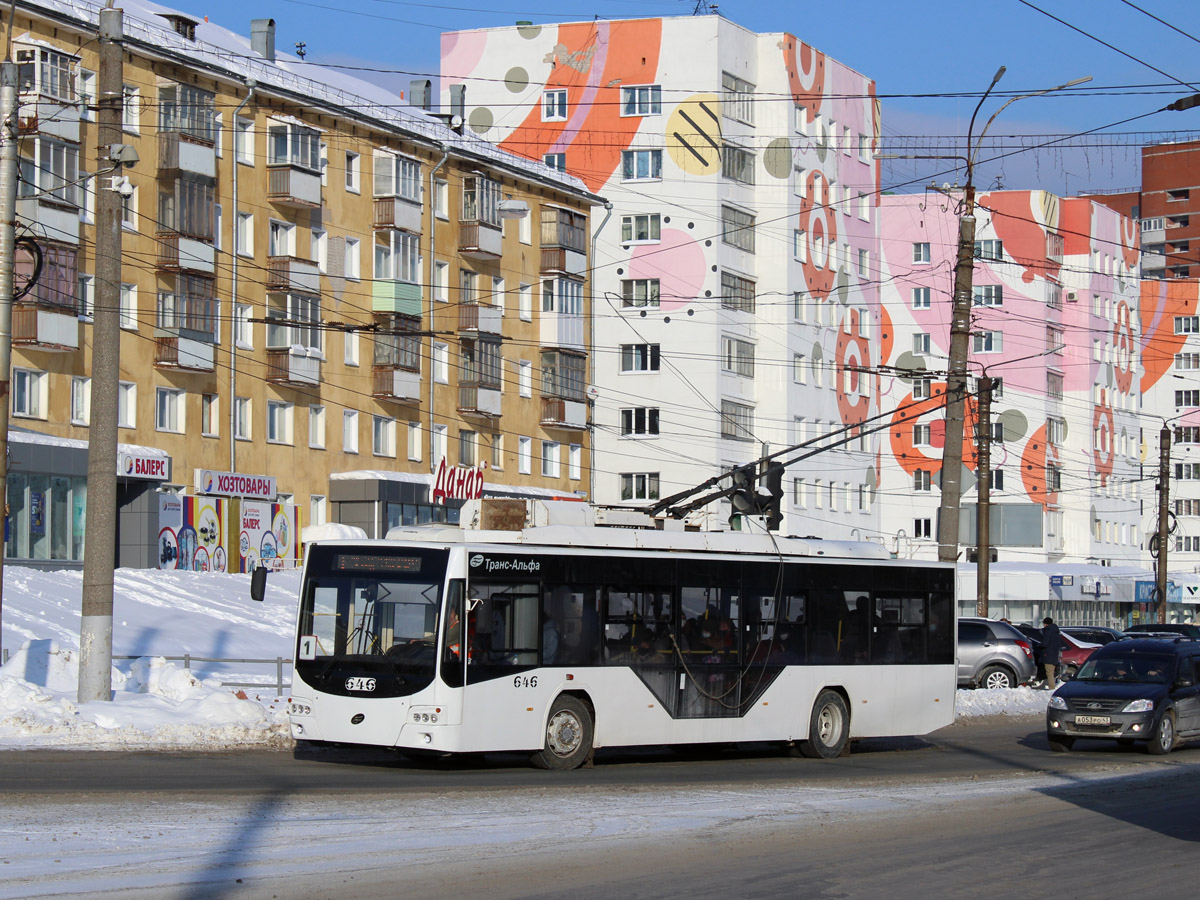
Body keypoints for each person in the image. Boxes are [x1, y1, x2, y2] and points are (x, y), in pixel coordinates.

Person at [1041, 616, 1063, 689]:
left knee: (1049, 673)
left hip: (1048, 654)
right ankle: (1052, 685)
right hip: (1055, 654)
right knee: (1052, 672)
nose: (1043, 625)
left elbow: (1045, 643)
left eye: (1044, 624)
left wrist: (1039, 645)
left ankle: (1051, 687)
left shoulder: (1047, 632)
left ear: (1046, 624)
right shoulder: (1056, 632)